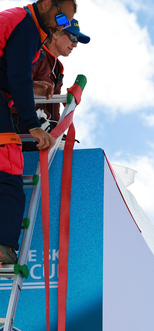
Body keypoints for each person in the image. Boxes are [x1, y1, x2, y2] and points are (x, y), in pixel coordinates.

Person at [0, 0, 77, 265]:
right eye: (63, 21)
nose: (62, 26)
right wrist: (33, 124)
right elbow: (19, 77)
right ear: (45, 4)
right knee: (9, 165)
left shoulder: (26, 26)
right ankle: (2, 247)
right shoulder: (27, 27)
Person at [14, 18, 89, 139]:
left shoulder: (58, 68)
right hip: (20, 118)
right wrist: (38, 116)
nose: (75, 45)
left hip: (39, 123)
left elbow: (54, 105)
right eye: (73, 38)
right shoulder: (36, 53)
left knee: (60, 148)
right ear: (55, 33)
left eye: (77, 41)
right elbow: (18, 85)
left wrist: (56, 128)